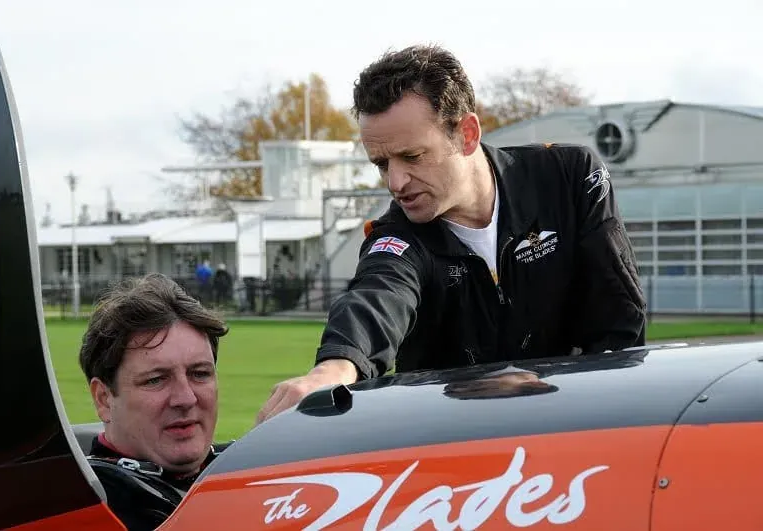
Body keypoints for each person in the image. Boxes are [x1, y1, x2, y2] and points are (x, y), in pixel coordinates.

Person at [255, 44, 646, 425]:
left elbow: (619, 325)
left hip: (577, 431)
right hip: (452, 458)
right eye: (380, 163)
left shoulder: (569, 176)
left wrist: (551, 388)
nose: (395, 182)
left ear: (467, 134)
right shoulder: (399, 236)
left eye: (412, 157)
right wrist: (334, 369)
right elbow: (376, 297)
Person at [78, 273, 230, 530]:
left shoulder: (253, 470)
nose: (186, 398)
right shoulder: (80, 507)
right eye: (156, 380)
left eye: (200, 374)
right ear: (103, 399)